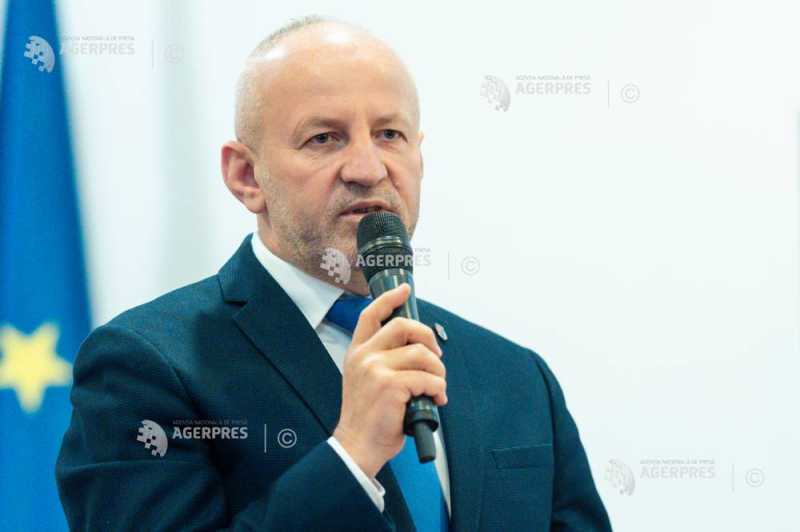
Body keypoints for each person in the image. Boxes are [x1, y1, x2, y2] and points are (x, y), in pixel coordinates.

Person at [56, 15, 612, 531]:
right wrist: (351, 455)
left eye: (389, 135)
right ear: (246, 175)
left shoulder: (515, 376)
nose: (369, 169)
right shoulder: (144, 367)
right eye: (324, 138)